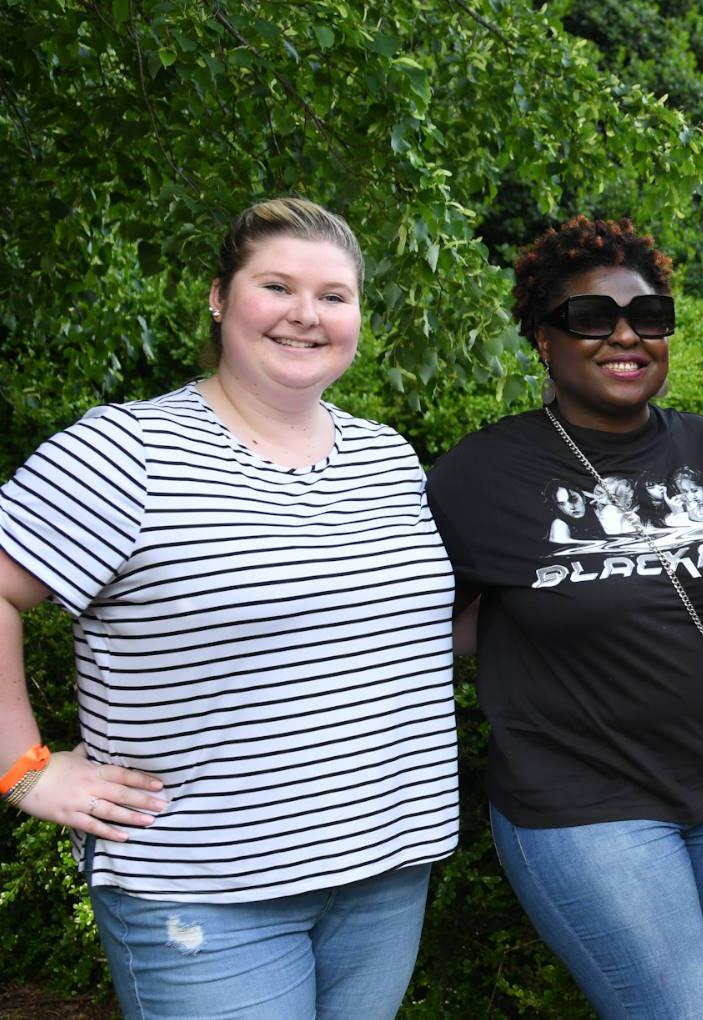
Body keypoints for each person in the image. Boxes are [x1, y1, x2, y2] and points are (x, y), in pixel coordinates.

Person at [0, 197, 460, 1018]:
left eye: (333, 296)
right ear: (219, 297)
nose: (305, 316)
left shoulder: (388, 459)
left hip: (386, 873)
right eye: (275, 286)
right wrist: (22, 766)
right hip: (205, 894)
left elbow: (403, 631)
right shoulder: (125, 451)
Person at [426, 217, 703, 1019]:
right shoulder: (484, 472)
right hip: (582, 809)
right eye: (590, 318)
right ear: (543, 339)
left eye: (649, 318)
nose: (625, 335)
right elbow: (420, 625)